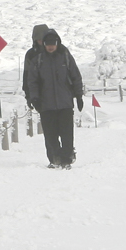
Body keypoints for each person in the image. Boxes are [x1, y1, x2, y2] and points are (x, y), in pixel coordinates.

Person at [24, 26, 83, 167]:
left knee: (67, 133)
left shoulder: (65, 56)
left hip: (65, 103)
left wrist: (79, 95)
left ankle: (67, 159)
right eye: (47, 44)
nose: (50, 47)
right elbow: (31, 81)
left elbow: (76, 76)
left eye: (53, 44)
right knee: (51, 135)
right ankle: (55, 159)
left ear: (57, 43)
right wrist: (34, 98)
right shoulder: (37, 59)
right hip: (46, 104)